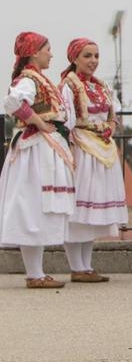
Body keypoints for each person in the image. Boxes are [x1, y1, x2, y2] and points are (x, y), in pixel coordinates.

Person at [0, 33, 74, 288]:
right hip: (34, 151)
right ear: (34, 52)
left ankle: (37, 273)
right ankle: (34, 274)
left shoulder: (39, 79)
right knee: (32, 207)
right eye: (47, 49)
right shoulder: (29, 80)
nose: (51, 54)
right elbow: (12, 102)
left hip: (42, 148)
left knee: (36, 209)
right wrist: (40, 122)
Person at [59, 38, 128, 282]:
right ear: (74, 58)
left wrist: (109, 127)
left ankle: (86, 266)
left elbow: (112, 114)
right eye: (87, 56)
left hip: (102, 148)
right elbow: (64, 118)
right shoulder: (68, 85)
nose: (93, 61)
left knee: (92, 212)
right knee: (78, 207)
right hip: (81, 147)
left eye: (96, 56)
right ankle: (76, 266)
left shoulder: (100, 87)